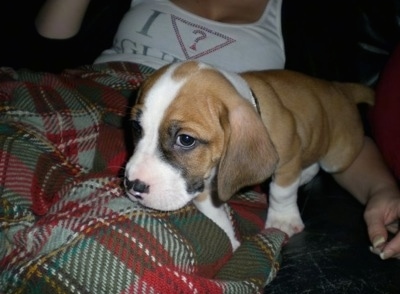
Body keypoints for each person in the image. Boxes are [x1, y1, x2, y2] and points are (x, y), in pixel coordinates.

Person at [35, 0, 400, 261]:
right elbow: (47, 46)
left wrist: (383, 190)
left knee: (130, 246)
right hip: (97, 96)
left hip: (226, 141)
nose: (131, 178)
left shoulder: (304, 17)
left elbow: (326, 120)